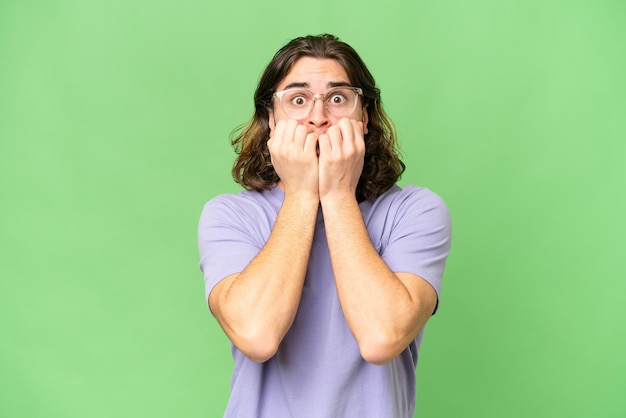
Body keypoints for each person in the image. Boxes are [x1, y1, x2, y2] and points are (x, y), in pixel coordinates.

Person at [198, 34, 451, 418]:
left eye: (337, 99)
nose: (318, 117)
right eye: (298, 100)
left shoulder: (414, 210)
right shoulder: (230, 216)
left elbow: (382, 339)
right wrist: (301, 195)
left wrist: (336, 195)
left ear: (364, 117)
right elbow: (257, 335)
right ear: (271, 119)